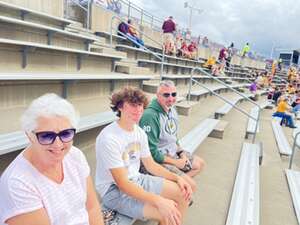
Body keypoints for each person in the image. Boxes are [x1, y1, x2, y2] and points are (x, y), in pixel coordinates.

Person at [0, 93, 104, 225]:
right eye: (46, 136)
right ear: (29, 136)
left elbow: (92, 208)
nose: (58, 144)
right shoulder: (18, 183)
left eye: (65, 134)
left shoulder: (75, 155)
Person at [95, 87, 192, 225]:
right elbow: (122, 184)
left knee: (182, 194)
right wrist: (158, 200)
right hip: (113, 190)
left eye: (140, 105)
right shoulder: (109, 138)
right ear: (120, 107)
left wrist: (177, 178)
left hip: (137, 179)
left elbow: (151, 165)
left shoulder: (139, 132)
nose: (138, 110)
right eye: (132, 105)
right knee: (166, 212)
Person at [139, 80, 205, 189]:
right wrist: (176, 163)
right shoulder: (150, 116)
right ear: (158, 96)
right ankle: (177, 187)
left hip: (172, 152)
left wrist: (182, 154)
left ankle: (175, 187)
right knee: (191, 186)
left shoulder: (172, 109)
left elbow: (174, 138)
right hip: (157, 159)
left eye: (173, 94)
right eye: (166, 95)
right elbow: (151, 153)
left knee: (199, 164)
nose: (171, 98)